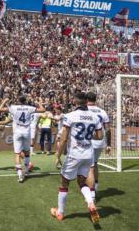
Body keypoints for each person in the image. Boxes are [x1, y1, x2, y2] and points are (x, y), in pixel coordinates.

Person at [51, 92, 103, 223]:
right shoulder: (95, 117)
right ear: (86, 102)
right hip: (88, 154)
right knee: (82, 182)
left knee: (64, 183)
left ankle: (60, 212)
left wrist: (57, 155)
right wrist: (87, 137)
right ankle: (91, 203)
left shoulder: (70, 116)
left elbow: (63, 139)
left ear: (75, 102)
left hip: (75, 154)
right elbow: (100, 136)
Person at [0, 96, 45, 183]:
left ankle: (20, 174)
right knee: (27, 152)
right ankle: (26, 171)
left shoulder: (14, 108)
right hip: (27, 131)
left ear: (18, 101)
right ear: (25, 101)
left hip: (17, 132)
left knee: (17, 154)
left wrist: (4, 101)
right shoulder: (29, 108)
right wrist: (39, 103)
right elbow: (43, 110)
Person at [86, 92, 110, 202]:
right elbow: (108, 129)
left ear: (87, 99)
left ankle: (92, 194)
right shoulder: (102, 111)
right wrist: (109, 144)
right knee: (94, 164)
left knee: (89, 167)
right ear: (95, 99)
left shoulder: (84, 110)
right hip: (100, 141)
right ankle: (94, 188)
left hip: (89, 141)